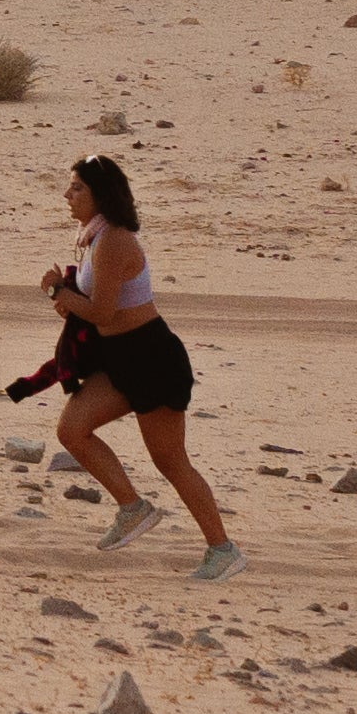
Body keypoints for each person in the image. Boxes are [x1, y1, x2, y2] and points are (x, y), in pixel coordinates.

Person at [39, 154, 239, 577]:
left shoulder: (114, 241)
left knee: (171, 462)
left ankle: (223, 551)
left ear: (101, 195)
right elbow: (94, 311)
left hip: (151, 358)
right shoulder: (93, 238)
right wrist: (66, 299)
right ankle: (133, 508)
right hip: (119, 357)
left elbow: (104, 312)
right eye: (70, 187)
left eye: (77, 188)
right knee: (71, 429)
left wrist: (58, 289)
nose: (67, 195)